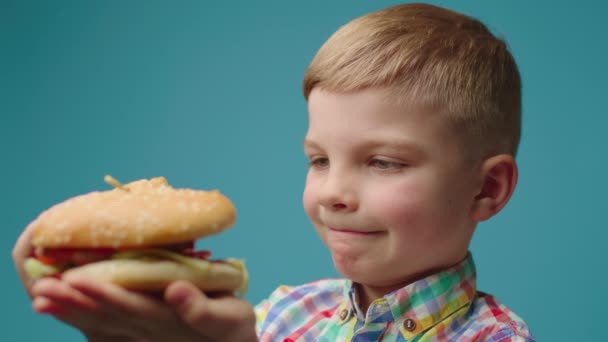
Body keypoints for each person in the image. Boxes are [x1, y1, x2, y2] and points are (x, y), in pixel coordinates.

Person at [13, 3, 534, 341]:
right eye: (319, 160)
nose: (333, 193)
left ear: (486, 189)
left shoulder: (496, 338)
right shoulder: (286, 313)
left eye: (382, 162)